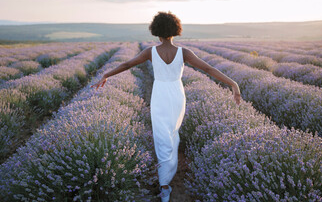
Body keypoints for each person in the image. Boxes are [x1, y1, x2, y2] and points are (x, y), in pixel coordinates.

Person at [90, 11, 241, 201]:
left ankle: (164, 185)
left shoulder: (150, 52)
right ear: (175, 30)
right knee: (172, 134)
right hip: (177, 95)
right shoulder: (184, 52)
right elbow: (208, 69)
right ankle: (167, 177)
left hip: (160, 94)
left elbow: (127, 64)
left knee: (162, 137)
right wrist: (233, 84)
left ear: (156, 31)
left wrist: (106, 75)